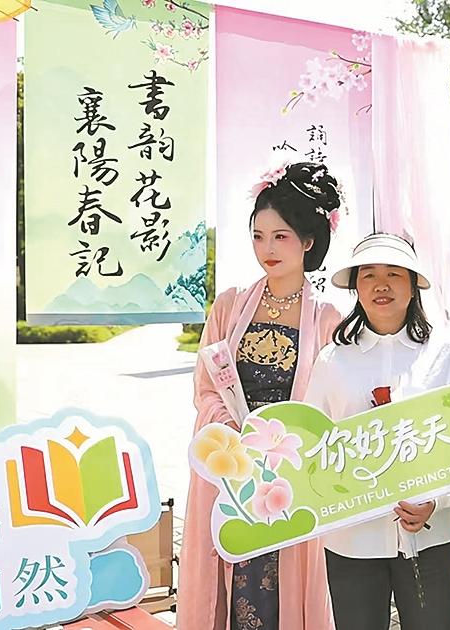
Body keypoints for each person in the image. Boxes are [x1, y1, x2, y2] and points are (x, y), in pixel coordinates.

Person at [178, 162, 342, 630]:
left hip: (290, 476)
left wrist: (283, 446)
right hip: (231, 467)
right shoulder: (229, 306)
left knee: (282, 588)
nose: (267, 249)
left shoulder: (328, 319)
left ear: (308, 241)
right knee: (227, 578)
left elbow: (331, 407)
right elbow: (205, 388)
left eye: (280, 236)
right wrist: (232, 433)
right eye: (258, 236)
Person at [305, 233, 450, 629]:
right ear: (356, 287)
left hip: (427, 536)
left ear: (413, 286)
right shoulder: (332, 361)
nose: (381, 285)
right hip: (352, 539)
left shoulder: (444, 355)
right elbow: (313, 447)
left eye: (394, 274)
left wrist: (437, 500)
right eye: (369, 275)